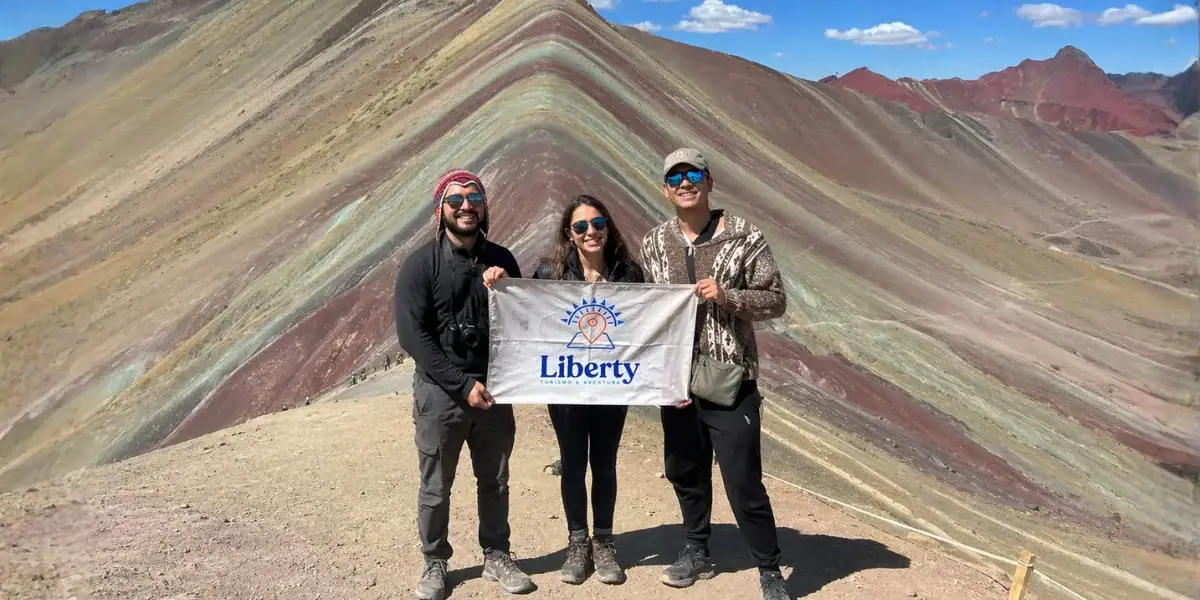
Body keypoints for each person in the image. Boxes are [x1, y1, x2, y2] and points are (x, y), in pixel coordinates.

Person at [638, 148, 790, 600]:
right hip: (676, 380)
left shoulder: (744, 236)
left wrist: (728, 296)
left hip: (730, 380)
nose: (684, 183)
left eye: (693, 174)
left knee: (742, 479)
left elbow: (775, 299)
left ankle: (769, 569)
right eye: (675, 177)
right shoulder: (654, 243)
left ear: (709, 181)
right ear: (665, 189)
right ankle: (696, 549)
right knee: (685, 470)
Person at [484, 195, 644, 586]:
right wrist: (502, 285)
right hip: (565, 386)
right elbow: (526, 313)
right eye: (581, 226)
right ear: (569, 234)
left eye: (598, 224)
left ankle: (603, 542)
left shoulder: (628, 274)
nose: (591, 232)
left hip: (610, 386)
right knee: (573, 463)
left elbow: (646, 323)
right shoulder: (549, 272)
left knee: (604, 463)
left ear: (608, 227)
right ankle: (577, 542)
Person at [394, 167, 534, 600]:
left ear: (484, 207)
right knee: (436, 485)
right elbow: (412, 335)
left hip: (495, 390)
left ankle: (497, 554)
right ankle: (434, 559)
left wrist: (508, 290)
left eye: (474, 198)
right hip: (440, 394)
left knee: (495, 479)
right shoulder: (420, 265)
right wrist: (460, 384)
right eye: (455, 200)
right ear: (441, 210)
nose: (466, 206)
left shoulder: (502, 259)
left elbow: (526, 322)